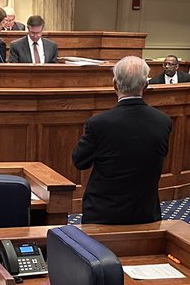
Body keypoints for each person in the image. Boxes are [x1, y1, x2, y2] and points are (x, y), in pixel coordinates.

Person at [72, 55, 172, 225]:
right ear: (146, 86)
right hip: (145, 214)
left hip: (103, 215)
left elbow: (80, 161)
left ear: (114, 85)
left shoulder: (98, 124)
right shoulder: (163, 122)